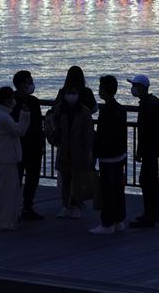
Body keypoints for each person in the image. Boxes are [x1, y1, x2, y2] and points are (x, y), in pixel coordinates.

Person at [128, 74, 159, 229]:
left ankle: (150, 215)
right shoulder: (152, 102)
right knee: (150, 182)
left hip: (150, 150)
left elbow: (145, 132)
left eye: (134, 85)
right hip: (154, 150)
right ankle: (153, 213)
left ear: (141, 88)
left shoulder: (147, 106)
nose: (132, 88)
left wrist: (139, 151)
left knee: (147, 182)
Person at [0, 86, 29, 231]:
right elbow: (20, 131)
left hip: (4, 157)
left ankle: (8, 220)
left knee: (9, 188)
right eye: (12, 98)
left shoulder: (0, 114)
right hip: (6, 158)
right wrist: (25, 115)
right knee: (7, 190)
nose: (14, 101)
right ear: (7, 100)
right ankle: (4, 221)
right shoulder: (3, 117)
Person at [90, 75, 128, 235]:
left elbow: (102, 135)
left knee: (107, 190)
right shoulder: (121, 109)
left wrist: (95, 150)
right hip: (119, 155)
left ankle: (107, 223)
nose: (99, 91)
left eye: (100, 88)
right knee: (118, 189)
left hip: (107, 156)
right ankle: (119, 220)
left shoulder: (106, 111)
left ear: (105, 90)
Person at [52, 84, 94, 219]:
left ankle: (76, 206)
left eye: (74, 93)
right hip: (64, 149)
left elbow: (88, 133)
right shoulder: (60, 109)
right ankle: (65, 206)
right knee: (66, 180)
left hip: (79, 150)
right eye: (69, 93)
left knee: (78, 181)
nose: (71, 96)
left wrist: (88, 151)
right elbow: (54, 125)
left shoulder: (84, 111)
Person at [10, 70, 45, 221]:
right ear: (22, 84)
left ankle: (27, 206)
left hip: (33, 146)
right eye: (30, 81)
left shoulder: (34, 102)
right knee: (16, 178)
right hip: (19, 146)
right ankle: (15, 207)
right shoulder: (12, 102)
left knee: (32, 178)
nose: (32, 84)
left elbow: (38, 125)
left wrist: (41, 144)